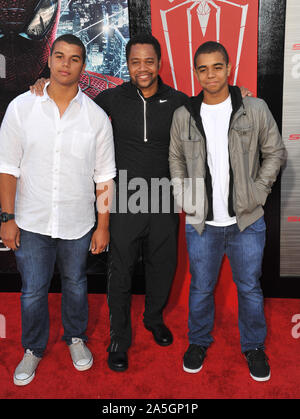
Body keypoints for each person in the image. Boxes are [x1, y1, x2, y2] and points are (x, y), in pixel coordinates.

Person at [30, 34, 252, 373]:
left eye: (149, 61)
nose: (143, 68)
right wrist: (44, 83)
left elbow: (215, 104)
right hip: (125, 197)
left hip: (165, 196)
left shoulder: (180, 101)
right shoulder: (111, 99)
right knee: (120, 272)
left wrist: (241, 95)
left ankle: (153, 318)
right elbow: (73, 99)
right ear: (128, 65)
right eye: (136, 62)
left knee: (163, 267)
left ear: (159, 64)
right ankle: (119, 337)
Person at [0, 34, 116, 386]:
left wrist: (103, 226)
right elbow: (8, 168)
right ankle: (33, 348)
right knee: (33, 290)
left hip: (78, 222)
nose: (66, 64)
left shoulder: (96, 118)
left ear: (83, 65)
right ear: (49, 60)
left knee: (76, 284)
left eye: (75, 58)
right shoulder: (21, 107)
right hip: (31, 220)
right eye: (60, 56)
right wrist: (7, 218)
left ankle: (75, 337)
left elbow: (105, 178)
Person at [169, 41, 286, 382]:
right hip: (201, 222)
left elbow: (275, 152)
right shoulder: (184, 114)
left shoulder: (254, 107)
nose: (210, 74)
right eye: (203, 68)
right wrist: (183, 195)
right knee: (201, 287)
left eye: (217, 67)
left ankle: (254, 347)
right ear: (196, 72)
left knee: (249, 287)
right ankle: (198, 342)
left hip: (247, 221)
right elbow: (175, 158)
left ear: (228, 67)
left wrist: (259, 191)